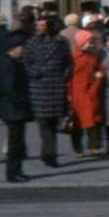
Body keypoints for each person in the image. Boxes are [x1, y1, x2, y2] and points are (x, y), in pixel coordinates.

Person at [23, 17, 72, 168]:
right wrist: (35, 73)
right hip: (39, 87)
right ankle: (50, 154)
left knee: (52, 122)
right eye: (37, 25)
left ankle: (48, 153)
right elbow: (25, 62)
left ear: (49, 27)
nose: (38, 27)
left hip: (55, 86)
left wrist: (62, 77)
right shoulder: (31, 43)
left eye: (42, 25)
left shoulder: (60, 42)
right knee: (43, 122)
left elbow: (69, 63)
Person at [0, 33, 34, 183]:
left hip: (14, 108)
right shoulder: (9, 64)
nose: (23, 50)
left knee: (18, 141)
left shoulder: (11, 62)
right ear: (14, 49)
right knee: (15, 142)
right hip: (13, 108)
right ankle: (12, 172)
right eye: (21, 48)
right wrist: (23, 100)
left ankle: (18, 170)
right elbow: (9, 87)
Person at [70, 30, 105, 157]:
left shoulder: (94, 57)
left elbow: (99, 72)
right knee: (77, 122)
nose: (91, 44)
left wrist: (98, 80)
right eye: (89, 42)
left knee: (93, 120)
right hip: (77, 92)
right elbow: (69, 76)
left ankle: (94, 146)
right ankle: (78, 148)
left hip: (91, 91)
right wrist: (68, 93)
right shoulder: (74, 57)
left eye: (92, 42)